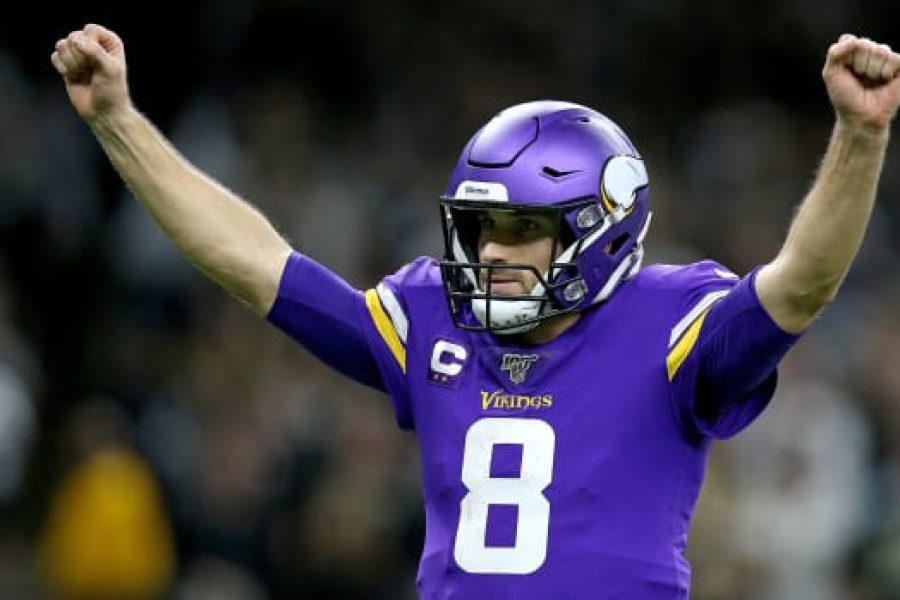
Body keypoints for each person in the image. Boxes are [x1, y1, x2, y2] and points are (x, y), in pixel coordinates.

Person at [51, 23, 900, 598]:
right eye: (482, 228)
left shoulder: (670, 325)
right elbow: (253, 263)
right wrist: (119, 123)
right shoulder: (432, 316)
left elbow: (801, 286)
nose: (490, 253)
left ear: (600, 233)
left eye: (521, 230)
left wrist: (859, 139)